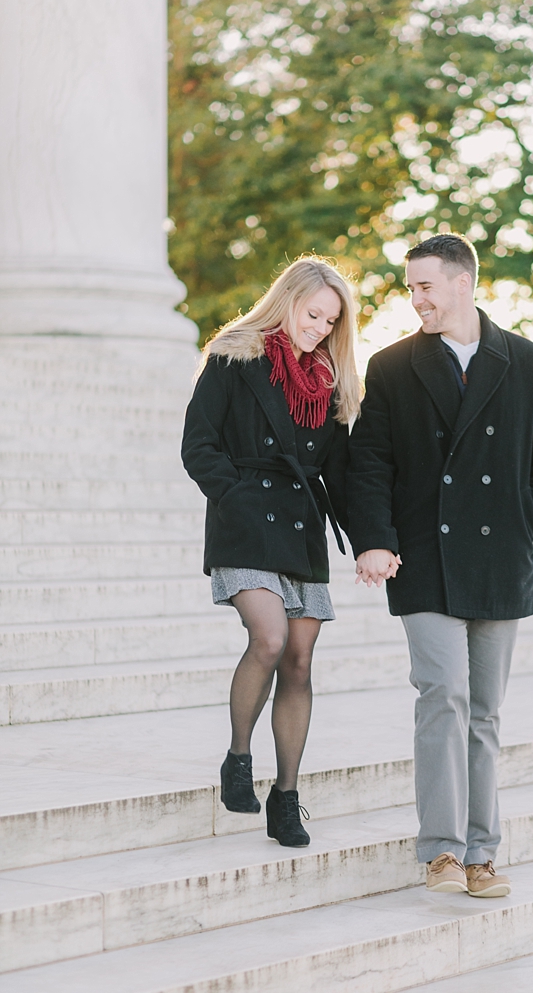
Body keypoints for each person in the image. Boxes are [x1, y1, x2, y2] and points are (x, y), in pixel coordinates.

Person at [347, 233, 533, 898]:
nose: (415, 298)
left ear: (463, 282)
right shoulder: (391, 367)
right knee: (442, 693)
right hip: (423, 558)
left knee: (484, 712)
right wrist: (374, 539)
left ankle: (482, 852)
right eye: (411, 287)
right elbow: (369, 462)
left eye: (425, 285)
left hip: (501, 558)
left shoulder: (526, 362)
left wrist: (524, 515)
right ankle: (442, 849)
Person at [181, 257, 358, 848]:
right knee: (271, 638)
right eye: (313, 315)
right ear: (287, 302)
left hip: (301, 527)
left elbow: (340, 472)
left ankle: (286, 796)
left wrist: (373, 538)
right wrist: (234, 497)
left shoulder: (329, 381)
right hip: (245, 521)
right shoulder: (234, 357)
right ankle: (238, 756)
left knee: (301, 662)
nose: (319, 329)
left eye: (330, 322)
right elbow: (198, 443)